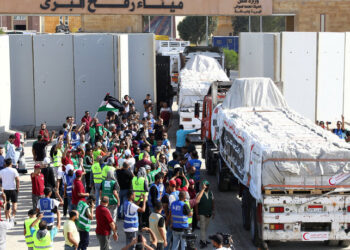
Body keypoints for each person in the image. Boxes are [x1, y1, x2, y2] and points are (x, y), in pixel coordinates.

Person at [197, 180, 215, 248]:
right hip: (201, 213)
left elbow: (213, 202)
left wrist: (213, 211)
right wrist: (197, 214)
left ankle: (202, 240)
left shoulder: (211, 193)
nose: (206, 187)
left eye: (207, 185)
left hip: (208, 213)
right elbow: (196, 204)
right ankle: (203, 242)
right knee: (202, 228)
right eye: (205, 185)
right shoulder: (199, 193)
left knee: (205, 228)